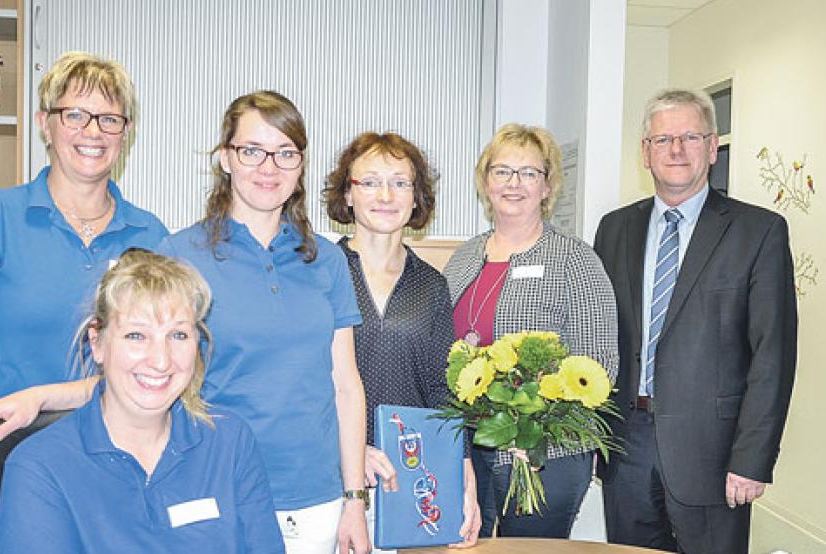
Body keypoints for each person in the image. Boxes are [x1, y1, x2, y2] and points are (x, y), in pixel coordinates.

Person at [0, 51, 167, 551]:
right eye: (74, 114)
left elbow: (158, 369)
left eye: (109, 118)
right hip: (3, 461)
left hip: (117, 466)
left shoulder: (151, 236)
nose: (92, 131)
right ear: (45, 123)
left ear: (126, 133)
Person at [157, 90, 369, 554]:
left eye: (285, 153)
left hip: (316, 500)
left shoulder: (328, 261)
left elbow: (346, 386)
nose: (269, 167)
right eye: (252, 151)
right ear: (226, 158)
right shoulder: (179, 256)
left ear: (300, 166)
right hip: (216, 487)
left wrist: (354, 499)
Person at [593, 88, 798, 553]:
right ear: (645, 152)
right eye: (663, 139)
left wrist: (752, 457)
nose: (677, 150)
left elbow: (774, 355)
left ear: (712, 147)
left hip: (714, 450)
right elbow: (602, 339)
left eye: (690, 136)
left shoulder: (758, 231)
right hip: (627, 443)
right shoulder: (614, 229)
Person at [0, 249, 283, 553]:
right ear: (97, 343)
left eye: (178, 335)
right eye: (136, 335)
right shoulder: (40, 466)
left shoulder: (230, 442)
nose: (161, 360)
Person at [442, 123, 618, 538]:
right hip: (470, 447)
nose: (514, 183)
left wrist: (539, 433)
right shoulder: (465, 256)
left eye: (528, 172)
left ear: (547, 185)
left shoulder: (574, 260)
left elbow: (599, 365)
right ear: (486, 182)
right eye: (502, 171)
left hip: (544, 455)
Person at [323, 132, 481, 550]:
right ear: (348, 195)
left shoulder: (431, 284)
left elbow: (442, 390)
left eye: (400, 182)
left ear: (416, 199)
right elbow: (302, 383)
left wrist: (463, 475)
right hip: (329, 476)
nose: (386, 194)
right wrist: (354, 452)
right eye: (370, 181)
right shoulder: (320, 273)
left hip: (410, 479)